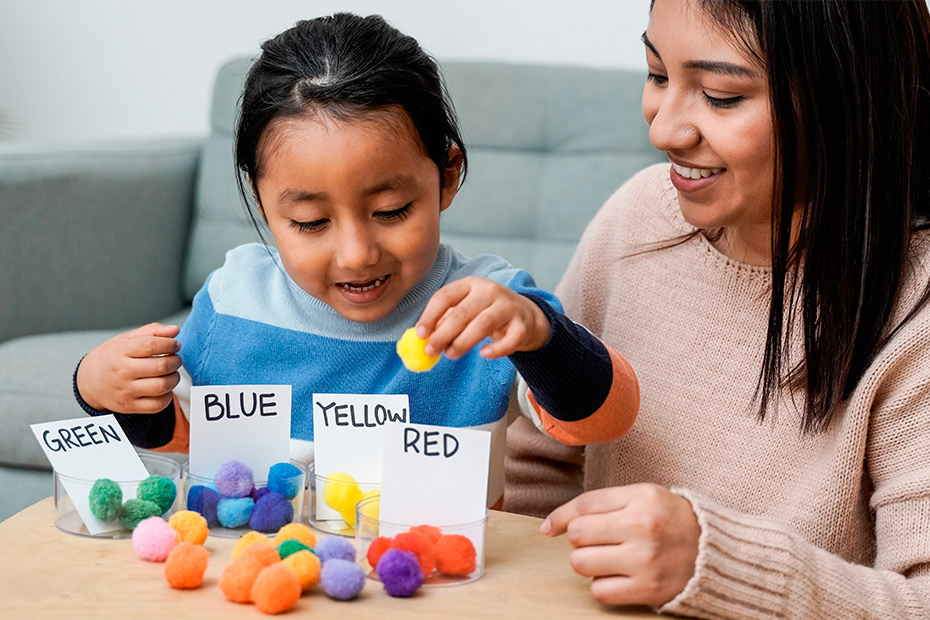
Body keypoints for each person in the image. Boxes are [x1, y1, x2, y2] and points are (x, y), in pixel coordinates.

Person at [72, 13, 639, 509]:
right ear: (264, 204)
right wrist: (102, 389)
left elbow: (605, 420)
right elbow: (177, 439)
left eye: (392, 210)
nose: (357, 254)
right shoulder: (236, 297)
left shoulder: (487, 307)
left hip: (430, 580)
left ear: (447, 176)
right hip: (268, 576)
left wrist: (538, 334)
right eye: (311, 223)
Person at [503, 0, 930, 617]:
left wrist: (717, 564)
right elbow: (538, 467)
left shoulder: (914, 309)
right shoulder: (638, 215)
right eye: (656, 75)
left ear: (845, 100)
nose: (663, 130)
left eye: (722, 96)